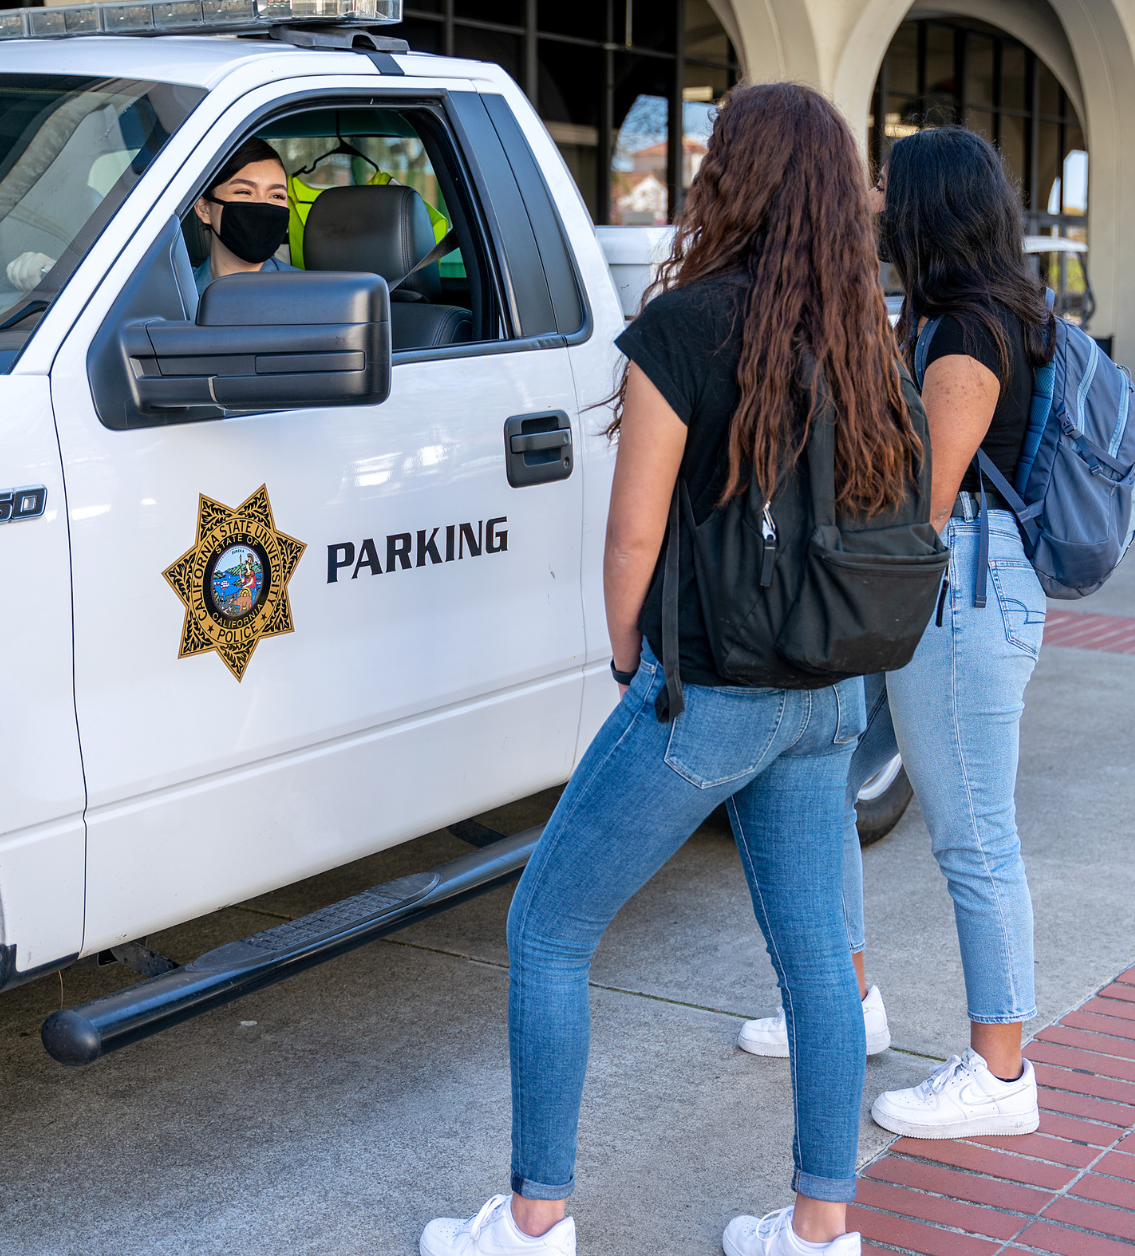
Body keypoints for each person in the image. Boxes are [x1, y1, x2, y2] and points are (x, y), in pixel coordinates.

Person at [420, 82, 926, 1256]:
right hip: (826, 691)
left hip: (710, 693)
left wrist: (627, 661)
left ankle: (536, 1218)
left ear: (728, 181)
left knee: (547, 929)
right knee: (816, 963)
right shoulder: (865, 336)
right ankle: (818, 1228)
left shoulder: (685, 326)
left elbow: (633, 532)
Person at [839, 124, 1057, 1139]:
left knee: (973, 837)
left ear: (927, 204)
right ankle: (847, 1005)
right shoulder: (959, 313)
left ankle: (1000, 1074)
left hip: (961, 589)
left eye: (888, 184)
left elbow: (923, 501)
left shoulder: (968, 332)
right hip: (955, 587)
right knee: (834, 784)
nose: (875, 198)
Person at [190, 138, 294, 293]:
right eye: (244, 192)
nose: (262, 205)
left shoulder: (312, 296)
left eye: (276, 196)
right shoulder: (171, 298)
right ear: (204, 208)